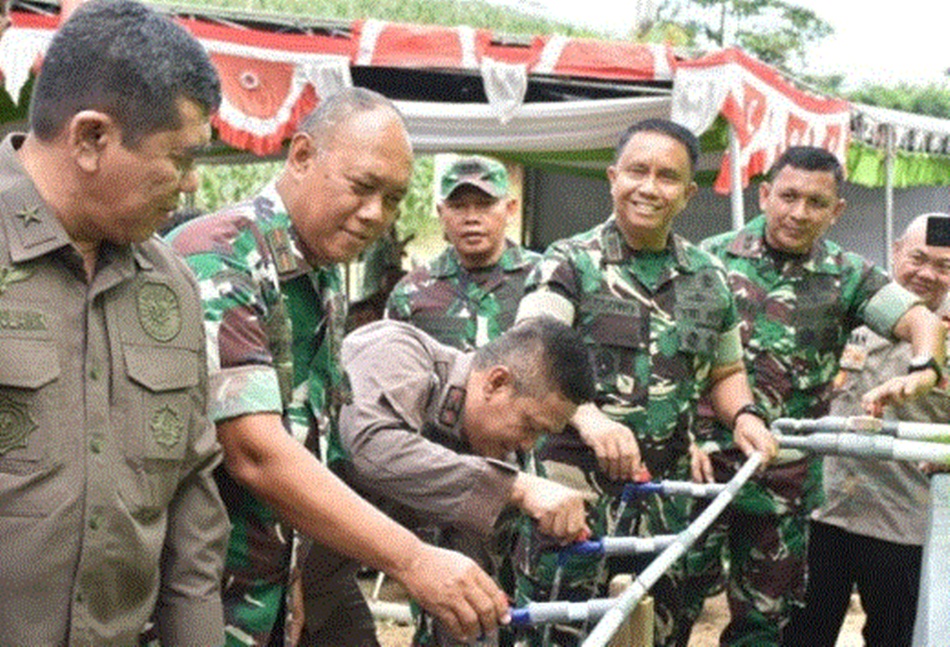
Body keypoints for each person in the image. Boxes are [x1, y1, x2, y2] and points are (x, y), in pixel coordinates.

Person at [168, 88, 510, 647]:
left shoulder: (321, 270)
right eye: (361, 186)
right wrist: (412, 558)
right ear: (302, 156)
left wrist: (300, 572)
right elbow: (254, 451)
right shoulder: (223, 256)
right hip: (196, 601)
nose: (375, 214)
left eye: (393, 199)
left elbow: (312, 437)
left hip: (266, 594)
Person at [0, 1, 229, 644]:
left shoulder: (171, 286)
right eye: (180, 159)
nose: (190, 185)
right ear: (91, 139)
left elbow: (192, 520)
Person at [513, 118, 778, 647]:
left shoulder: (709, 277)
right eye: (637, 171)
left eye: (667, 176)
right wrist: (588, 417)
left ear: (688, 193)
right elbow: (531, 349)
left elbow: (726, 372)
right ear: (614, 177)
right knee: (560, 632)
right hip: (572, 502)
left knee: (658, 632)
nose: (649, 188)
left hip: (663, 504)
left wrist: (746, 416)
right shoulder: (569, 262)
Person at [693, 147, 946, 646]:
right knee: (672, 606)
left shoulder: (847, 275)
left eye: (816, 202)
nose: (799, 213)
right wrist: (686, 438)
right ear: (765, 195)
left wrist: (924, 367)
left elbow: (919, 319)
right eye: (788, 197)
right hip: (702, 473)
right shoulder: (708, 260)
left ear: (836, 211)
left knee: (766, 627)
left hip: (785, 490)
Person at [329, 316, 596, 645]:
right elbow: (372, 450)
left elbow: (471, 597)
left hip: (322, 578)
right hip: (275, 557)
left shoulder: (495, 458)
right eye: (530, 425)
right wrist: (516, 487)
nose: (529, 445)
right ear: (496, 382)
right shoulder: (396, 351)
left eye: (543, 434)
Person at [783, 213, 950, 647]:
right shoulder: (849, 313)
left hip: (903, 523)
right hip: (825, 511)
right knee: (803, 634)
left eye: (944, 266)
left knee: (894, 638)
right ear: (896, 252)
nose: (927, 274)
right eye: (918, 258)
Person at [385, 155, 540, 349]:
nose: (471, 218)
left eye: (485, 205)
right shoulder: (411, 292)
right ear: (441, 213)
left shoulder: (543, 279)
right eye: (458, 206)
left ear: (510, 209)